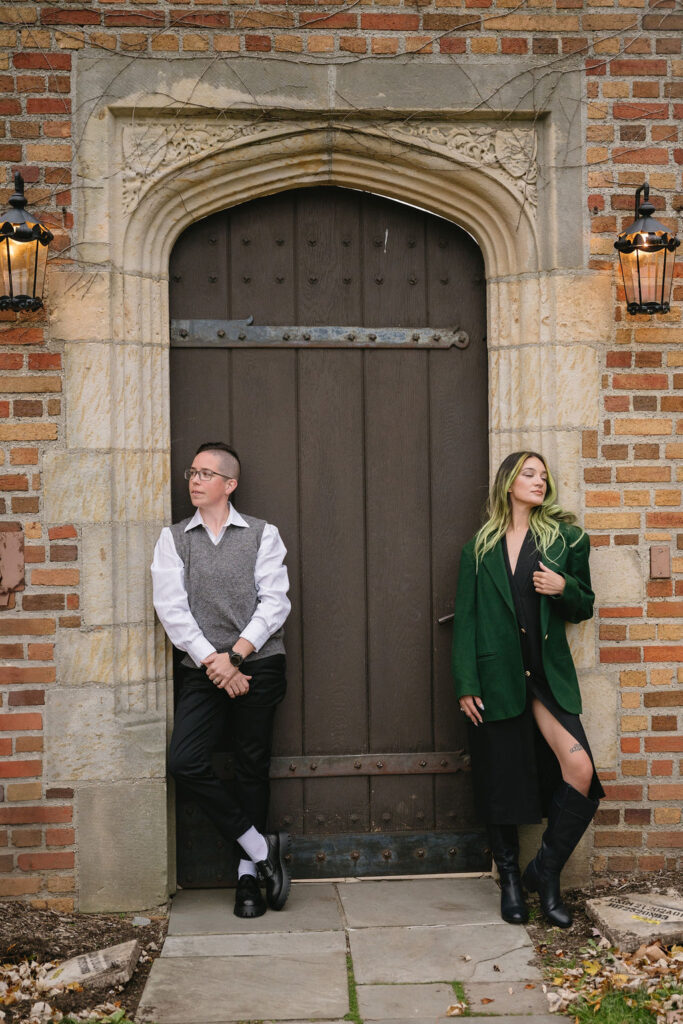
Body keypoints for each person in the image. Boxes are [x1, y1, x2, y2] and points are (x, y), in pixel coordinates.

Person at [451, 451, 603, 929]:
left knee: (578, 768)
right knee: (501, 781)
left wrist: (563, 587)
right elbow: (467, 620)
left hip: (545, 676)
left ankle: (546, 873)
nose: (539, 481)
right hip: (496, 678)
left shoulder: (566, 538)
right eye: (528, 474)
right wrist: (466, 683)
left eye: (544, 475)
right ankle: (512, 881)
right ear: (508, 483)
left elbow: (584, 607)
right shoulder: (480, 546)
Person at [151, 441, 291, 919]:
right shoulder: (173, 539)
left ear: (229, 485)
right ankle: (259, 846)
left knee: (252, 765)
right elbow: (172, 609)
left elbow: (275, 603)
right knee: (184, 761)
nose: (194, 480)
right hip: (202, 669)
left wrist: (236, 656)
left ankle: (247, 879)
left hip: (259, 663)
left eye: (206, 473)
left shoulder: (262, 534)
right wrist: (215, 661)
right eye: (192, 472)